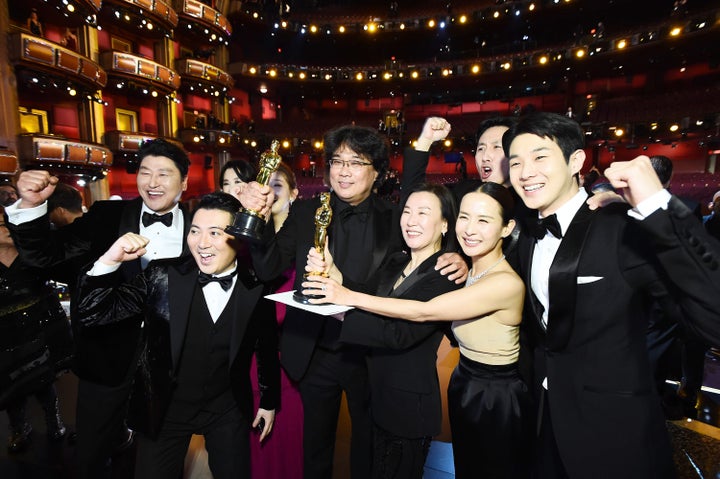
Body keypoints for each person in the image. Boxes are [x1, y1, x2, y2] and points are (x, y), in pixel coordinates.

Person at [240, 117, 468, 479]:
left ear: (376, 172)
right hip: (313, 350)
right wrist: (261, 217)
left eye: (356, 162)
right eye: (337, 162)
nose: (343, 172)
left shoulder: (395, 218)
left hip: (368, 353)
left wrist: (458, 255)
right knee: (315, 447)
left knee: (368, 447)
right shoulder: (305, 211)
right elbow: (268, 268)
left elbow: (428, 214)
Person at [502, 111, 720, 478]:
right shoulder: (525, 233)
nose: (525, 172)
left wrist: (657, 205)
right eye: (517, 162)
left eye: (540, 157)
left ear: (576, 161)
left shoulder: (621, 228)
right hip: (543, 423)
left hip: (613, 434)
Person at [303, 182, 532, 479]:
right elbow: (376, 298)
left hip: (487, 394)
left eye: (483, 220)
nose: (470, 228)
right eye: (466, 217)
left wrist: (343, 300)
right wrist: (333, 272)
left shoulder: (457, 274)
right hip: (448, 385)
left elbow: (415, 318)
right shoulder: (421, 262)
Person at [5, 138, 193, 478]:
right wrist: (30, 207)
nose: (152, 182)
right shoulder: (108, 216)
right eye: (145, 172)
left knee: (160, 457)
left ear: (184, 182)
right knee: (91, 455)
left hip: (171, 365)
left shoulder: (200, 224)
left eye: (163, 174)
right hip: (107, 359)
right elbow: (46, 257)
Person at [73, 192, 280, 479]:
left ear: (238, 236)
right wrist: (110, 260)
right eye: (195, 231)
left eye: (215, 233)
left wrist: (269, 401)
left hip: (226, 408)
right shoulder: (162, 275)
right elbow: (92, 313)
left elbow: (265, 345)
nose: (202, 243)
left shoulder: (256, 285)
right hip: (166, 410)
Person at [0, 207, 73, 453]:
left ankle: (55, 421)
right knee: (12, 384)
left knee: (45, 379)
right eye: (1, 225)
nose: (7, 229)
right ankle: (19, 429)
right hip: (5, 334)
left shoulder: (30, 255)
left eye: (8, 224)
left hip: (39, 325)